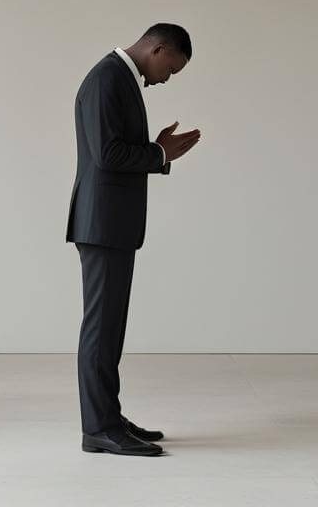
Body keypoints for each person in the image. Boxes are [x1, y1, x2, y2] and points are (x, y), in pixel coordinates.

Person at [65, 23, 201, 456]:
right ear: (157, 48)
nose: (167, 78)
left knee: (110, 329)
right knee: (101, 330)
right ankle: (99, 429)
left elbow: (115, 148)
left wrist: (157, 149)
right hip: (102, 224)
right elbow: (107, 154)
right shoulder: (107, 78)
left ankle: (109, 417)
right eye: (171, 69)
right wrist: (159, 153)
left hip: (112, 225)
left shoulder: (119, 78)